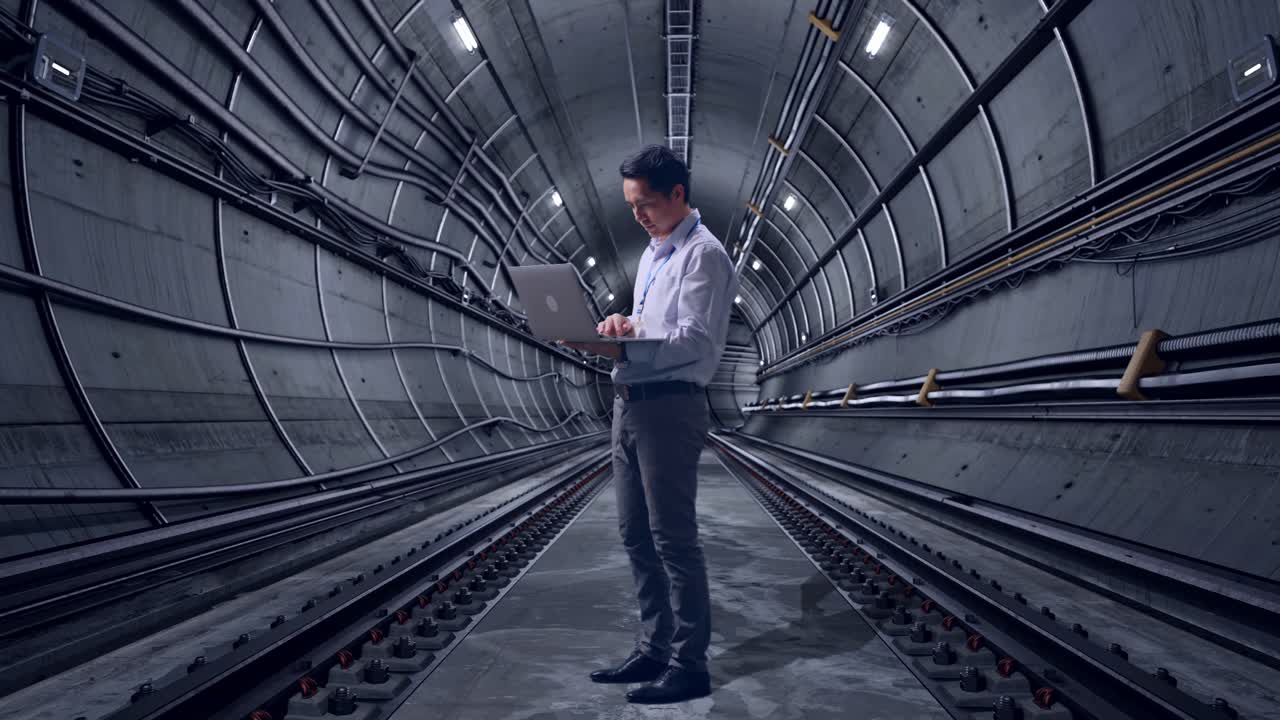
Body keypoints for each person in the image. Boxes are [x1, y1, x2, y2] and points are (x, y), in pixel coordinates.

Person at [562, 144, 736, 704]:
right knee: (635, 534)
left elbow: (693, 340)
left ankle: (690, 664)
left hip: (669, 405)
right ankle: (654, 647)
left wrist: (618, 350)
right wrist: (622, 323)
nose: (637, 214)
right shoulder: (654, 253)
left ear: (679, 195)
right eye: (632, 204)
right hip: (630, 403)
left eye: (647, 204)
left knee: (673, 539)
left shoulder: (703, 255)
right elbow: (651, 325)